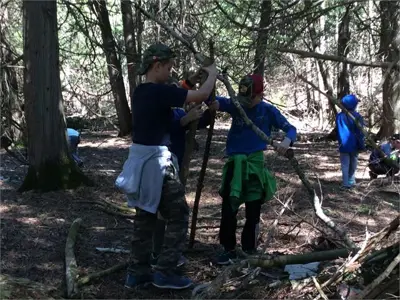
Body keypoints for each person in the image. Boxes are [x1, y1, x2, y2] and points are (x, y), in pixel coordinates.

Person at [116, 43, 217, 290]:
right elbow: (200, 96)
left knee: (145, 215)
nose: (171, 71)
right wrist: (212, 74)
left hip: (141, 162)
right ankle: (165, 271)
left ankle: (137, 272)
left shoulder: (142, 91)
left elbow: (176, 91)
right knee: (179, 214)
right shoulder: (159, 92)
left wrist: (188, 82)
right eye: (168, 67)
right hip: (157, 165)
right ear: (157, 65)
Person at [211, 74, 297, 265]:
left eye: (251, 99)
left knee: (253, 210)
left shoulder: (267, 111)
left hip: (255, 166)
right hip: (235, 164)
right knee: (229, 208)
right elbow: (215, 102)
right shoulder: (237, 104)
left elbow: (290, 129)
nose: (247, 103)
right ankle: (228, 248)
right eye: (244, 99)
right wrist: (208, 84)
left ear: (260, 95)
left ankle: (249, 248)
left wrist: (286, 141)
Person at [151, 76, 218, 268]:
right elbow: (163, 129)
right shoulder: (157, 111)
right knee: (161, 211)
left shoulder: (179, 111)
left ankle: (169, 252)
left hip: (176, 166)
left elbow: (195, 123)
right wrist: (183, 121)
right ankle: (158, 253)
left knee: (172, 211)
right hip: (159, 168)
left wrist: (208, 112)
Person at [335, 94, 365, 189]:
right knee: (353, 162)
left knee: (345, 164)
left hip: (343, 145)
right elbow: (360, 132)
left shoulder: (339, 116)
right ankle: (351, 181)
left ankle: (346, 183)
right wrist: (362, 144)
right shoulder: (357, 116)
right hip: (355, 144)